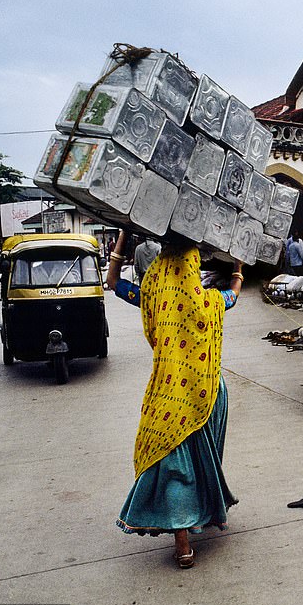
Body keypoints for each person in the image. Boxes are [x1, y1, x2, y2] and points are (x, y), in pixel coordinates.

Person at [104, 230, 242, 569]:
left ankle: (183, 542)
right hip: (207, 392)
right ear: (192, 266)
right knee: (197, 462)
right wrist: (238, 267)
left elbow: (112, 282)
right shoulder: (207, 301)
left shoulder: (151, 293)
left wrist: (123, 234)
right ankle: (192, 526)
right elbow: (233, 296)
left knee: (174, 464)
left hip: (167, 392)